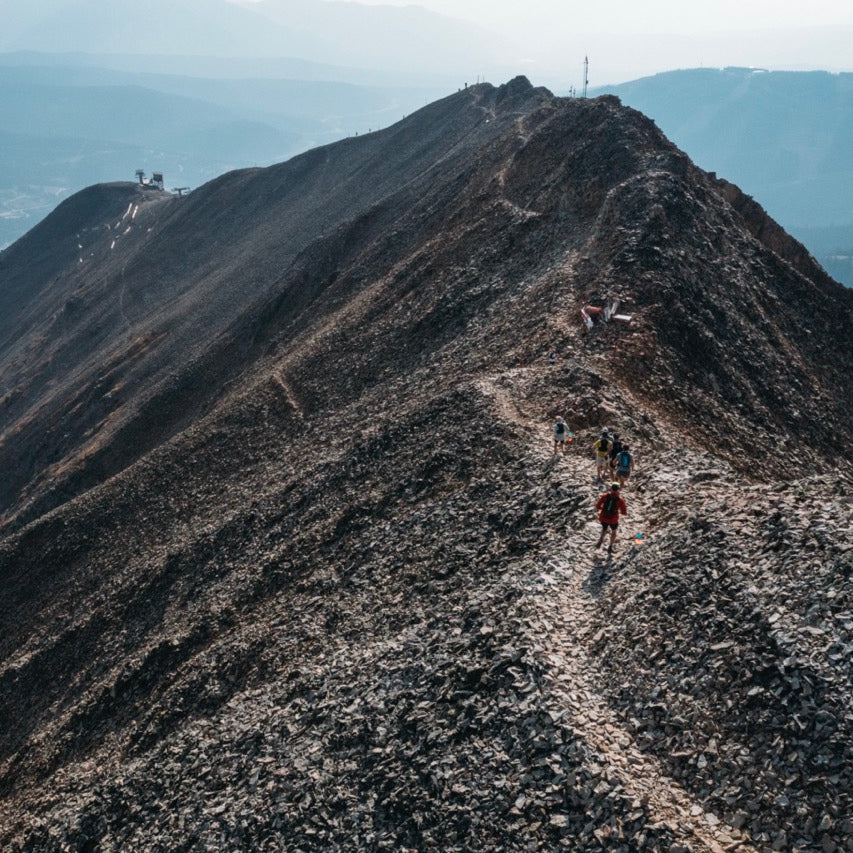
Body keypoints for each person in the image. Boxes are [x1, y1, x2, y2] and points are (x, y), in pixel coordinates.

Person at [595, 482, 627, 551]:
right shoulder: (620, 500)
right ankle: (610, 546)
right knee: (614, 531)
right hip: (613, 519)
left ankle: (600, 540)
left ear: (611, 488)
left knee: (604, 528)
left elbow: (597, 506)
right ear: (618, 490)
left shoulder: (604, 496)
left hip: (603, 517)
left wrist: (603, 509)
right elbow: (624, 512)